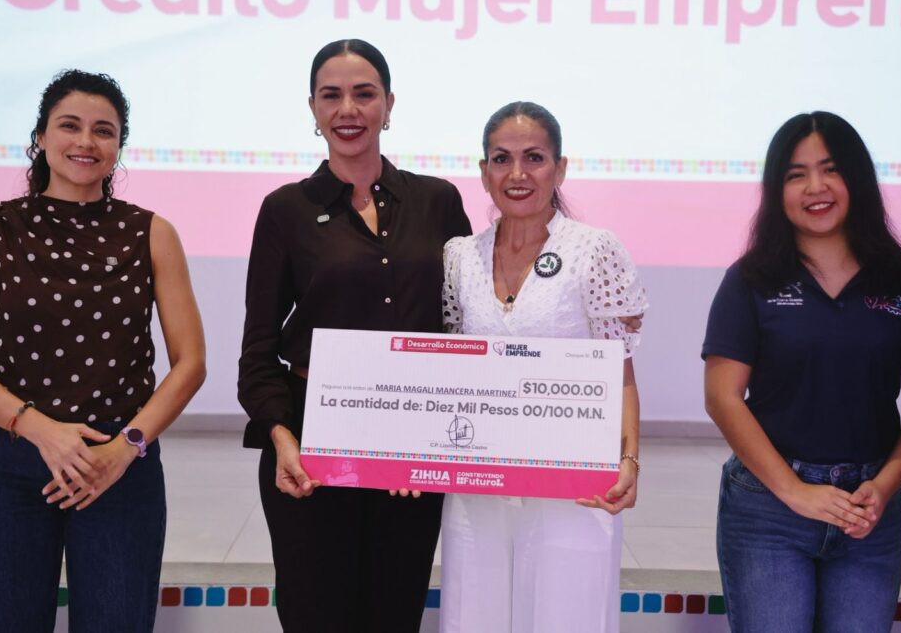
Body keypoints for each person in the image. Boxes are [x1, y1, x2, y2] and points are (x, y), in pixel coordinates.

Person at [0, 69, 206, 632]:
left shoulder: (152, 233)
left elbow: (191, 364)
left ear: (119, 146)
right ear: (40, 136)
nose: (86, 141)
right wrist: (42, 430)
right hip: (11, 458)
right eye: (69, 126)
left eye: (104, 131)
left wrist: (126, 447)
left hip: (118, 461)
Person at [237, 38, 472, 632]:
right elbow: (258, 349)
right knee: (316, 613)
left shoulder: (438, 201)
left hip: (414, 439)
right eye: (331, 95)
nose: (348, 110)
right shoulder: (285, 209)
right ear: (313, 109)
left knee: (394, 612)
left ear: (388, 105)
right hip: (311, 443)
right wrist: (282, 438)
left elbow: (467, 326)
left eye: (364, 94)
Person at [702, 111, 901, 632]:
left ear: (857, 177)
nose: (815, 187)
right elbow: (723, 396)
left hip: (867, 513)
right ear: (777, 191)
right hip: (767, 509)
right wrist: (794, 491)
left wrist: (885, 486)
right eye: (796, 175)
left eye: (831, 169)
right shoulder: (750, 280)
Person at [439, 101, 647, 633]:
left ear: (560, 168)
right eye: (501, 159)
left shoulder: (593, 251)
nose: (517, 173)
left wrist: (628, 459)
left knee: (566, 617)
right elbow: (450, 370)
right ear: (483, 172)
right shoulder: (459, 257)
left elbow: (619, 372)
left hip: (573, 484)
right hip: (478, 487)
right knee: (474, 617)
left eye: (534, 158)